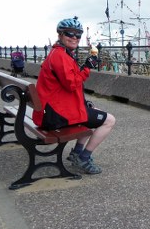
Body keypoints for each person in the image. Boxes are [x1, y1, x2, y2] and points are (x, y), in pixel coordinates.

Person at [32, 17, 116, 174]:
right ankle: (84, 158)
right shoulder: (61, 56)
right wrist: (87, 67)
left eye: (78, 35)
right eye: (70, 34)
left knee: (92, 111)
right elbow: (72, 84)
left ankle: (76, 153)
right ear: (60, 35)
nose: (74, 38)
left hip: (49, 110)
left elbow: (67, 83)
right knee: (109, 120)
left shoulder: (59, 53)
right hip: (54, 116)